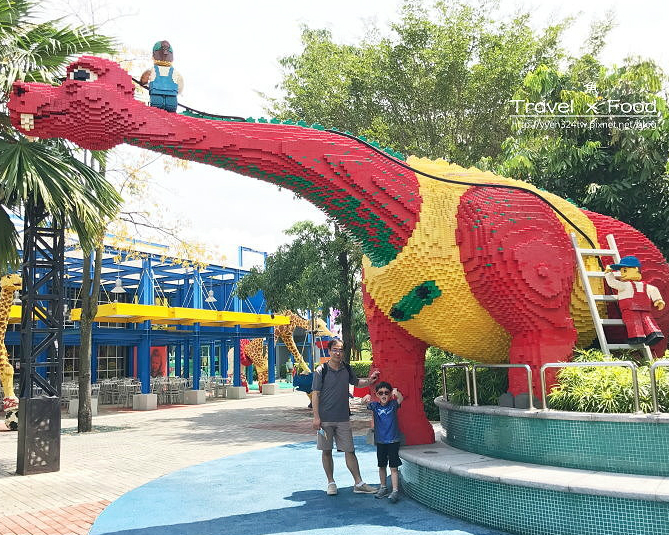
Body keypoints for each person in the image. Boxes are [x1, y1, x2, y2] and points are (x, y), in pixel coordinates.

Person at [311, 339, 380, 496]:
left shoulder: (346, 369)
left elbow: (356, 382)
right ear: (329, 351)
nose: (338, 353)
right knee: (326, 451)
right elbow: (315, 394)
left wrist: (370, 381)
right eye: (335, 350)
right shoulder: (321, 370)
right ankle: (331, 482)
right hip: (325, 419)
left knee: (350, 450)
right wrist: (316, 417)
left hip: (343, 418)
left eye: (341, 350)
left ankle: (359, 483)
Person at [604, 256, 665, 346]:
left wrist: (608, 273)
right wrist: (657, 300)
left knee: (633, 322)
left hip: (629, 308)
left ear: (636, 269)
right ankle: (655, 333)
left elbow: (612, 283)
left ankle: (637, 336)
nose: (622, 273)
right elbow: (653, 289)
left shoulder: (625, 285)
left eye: (624, 270)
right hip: (644, 307)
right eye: (621, 271)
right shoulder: (644, 285)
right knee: (647, 320)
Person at [363, 381, 403, 503]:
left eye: (386, 392)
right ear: (377, 394)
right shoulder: (375, 406)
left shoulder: (393, 404)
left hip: (393, 440)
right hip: (381, 441)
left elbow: (401, 399)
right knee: (381, 465)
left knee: (393, 467)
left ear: (390, 394)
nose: (384, 395)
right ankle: (383, 487)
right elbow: (364, 403)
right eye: (381, 393)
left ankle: (395, 490)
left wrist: (397, 393)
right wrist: (365, 399)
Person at [139, 40, 183, 112]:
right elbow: (180, 85)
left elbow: (144, 80)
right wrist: (178, 91)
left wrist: (142, 82)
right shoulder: (175, 72)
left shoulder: (152, 70)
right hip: (171, 93)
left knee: (157, 107)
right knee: (169, 106)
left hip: (157, 92)